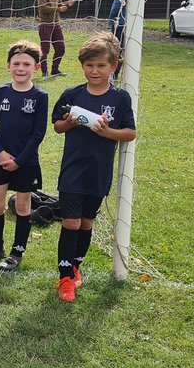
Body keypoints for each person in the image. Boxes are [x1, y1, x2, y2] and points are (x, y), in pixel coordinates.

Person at [51, 31, 137, 302]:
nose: (95, 71)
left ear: (113, 66)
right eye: (89, 66)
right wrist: (70, 123)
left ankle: (75, 267)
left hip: (99, 173)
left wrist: (107, 133)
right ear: (82, 66)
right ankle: (65, 279)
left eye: (101, 66)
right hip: (72, 171)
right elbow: (57, 126)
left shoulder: (120, 99)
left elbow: (130, 132)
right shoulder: (72, 95)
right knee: (71, 222)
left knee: (86, 223)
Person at [0, 40, 49, 273]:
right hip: (1, 159)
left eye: (26, 64)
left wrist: (18, 160)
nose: (21, 68)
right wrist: (1, 153)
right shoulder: (0, 93)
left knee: (22, 205)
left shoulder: (40, 96)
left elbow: (39, 133)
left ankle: (16, 253)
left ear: (36, 67)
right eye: (16, 63)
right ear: (8, 66)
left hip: (26, 161)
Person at [35, 0, 75, 76]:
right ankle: (44, 72)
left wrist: (67, 4)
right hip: (45, 24)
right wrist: (58, 9)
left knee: (60, 48)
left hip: (56, 25)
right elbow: (42, 8)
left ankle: (55, 70)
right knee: (45, 50)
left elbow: (60, 5)